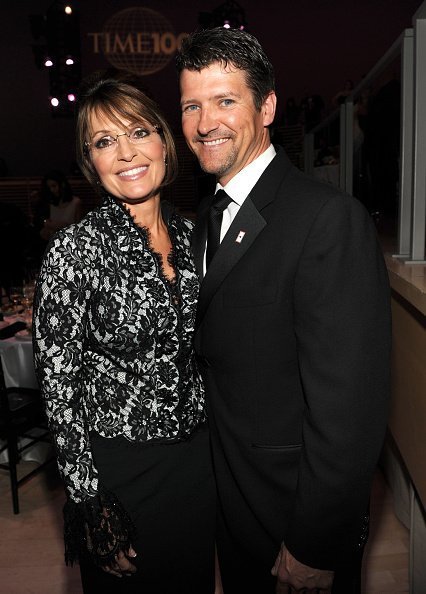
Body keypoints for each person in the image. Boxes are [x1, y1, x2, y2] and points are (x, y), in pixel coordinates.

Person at [176, 27, 391, 594]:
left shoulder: (326, 219)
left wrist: (316, 542)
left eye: (225, 101)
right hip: (233, 505)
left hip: (292, 514)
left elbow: (351, 407)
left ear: (267, 106)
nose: (205, 123)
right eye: (192, 106)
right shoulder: (203, 218)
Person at [32, 70, 216, 594]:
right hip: (121, 476)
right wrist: (90, 502)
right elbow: (59, 392)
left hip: (197, 468)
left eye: (138, 132)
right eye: (105, 141)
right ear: (91, 162)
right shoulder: (74, 251)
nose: (127, 153)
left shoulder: (197, 235)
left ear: (164, 139)